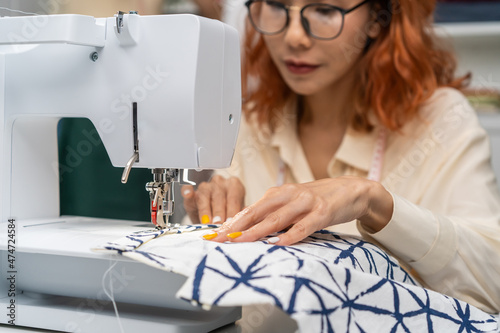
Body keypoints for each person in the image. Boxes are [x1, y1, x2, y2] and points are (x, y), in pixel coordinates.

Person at [181, 0, 500, 313]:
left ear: (377, 16)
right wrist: (204, 229)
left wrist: (377, 204)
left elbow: (492, 283)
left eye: (324, 10)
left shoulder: (441, 120)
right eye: (277, 5)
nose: (294, 37)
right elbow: (187, 283)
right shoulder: (253, 123)